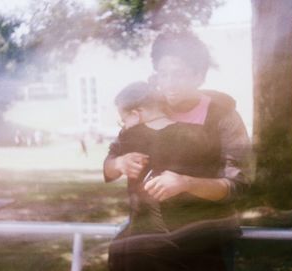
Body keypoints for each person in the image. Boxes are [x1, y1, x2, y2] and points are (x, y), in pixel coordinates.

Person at [104, 31, 250, 270]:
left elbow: (239, 186)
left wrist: (187, 183)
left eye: (179, 74)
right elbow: (110, 165)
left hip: (206, 239)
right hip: (149, 243)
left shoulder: (223, 116)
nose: (169, 83)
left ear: (199, 76)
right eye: (163, 74)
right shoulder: (146, 109)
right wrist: (120, 164)